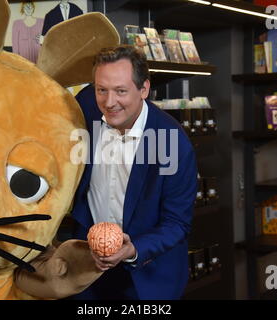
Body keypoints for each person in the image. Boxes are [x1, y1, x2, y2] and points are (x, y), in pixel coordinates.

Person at [71, 45, 198, 300]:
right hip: (88, 270)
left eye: (120, 91)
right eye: (101, 90)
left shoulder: (172, 141)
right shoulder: (85, 106)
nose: (109, 102)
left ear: (144, 89)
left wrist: (133, 249)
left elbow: (177, 223)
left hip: (148, 277)